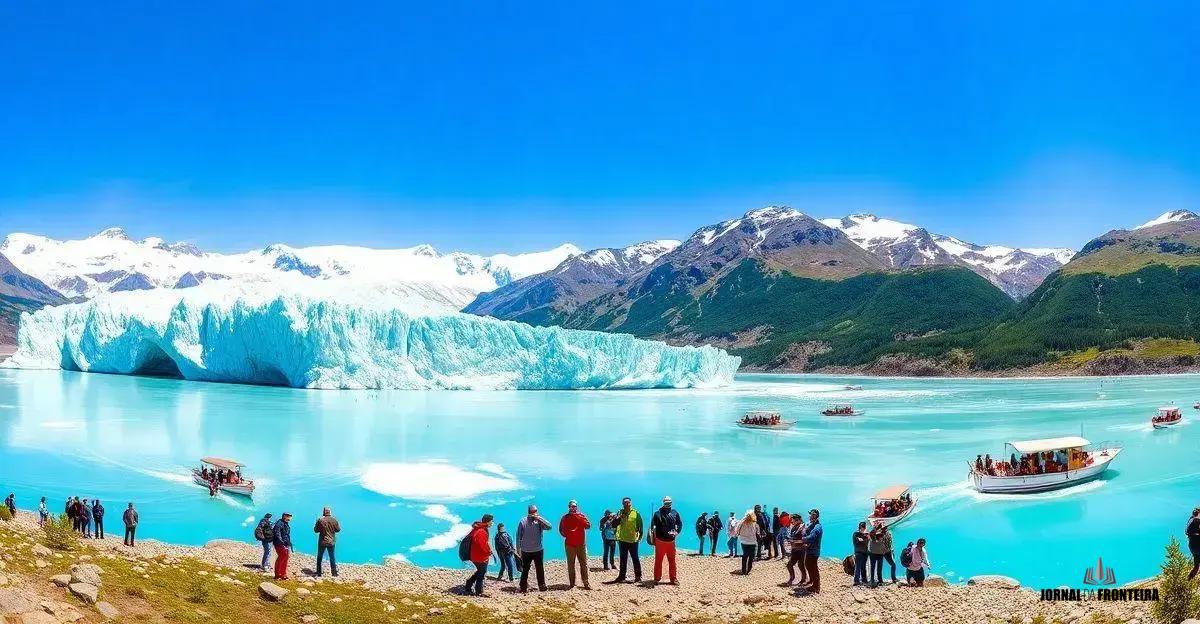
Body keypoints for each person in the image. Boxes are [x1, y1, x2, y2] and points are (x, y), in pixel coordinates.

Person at [516, 504, 552, 593]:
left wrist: (539, 518)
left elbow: (549, 527)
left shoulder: (539, 521)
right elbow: (518, 536)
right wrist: (518, 549)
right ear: (529, 512)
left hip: (538, 550)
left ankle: (542, 585)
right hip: (526, 551)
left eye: (535, 511)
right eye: (532, 512)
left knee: (540, 568)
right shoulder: (523, 521)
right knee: (525, 569)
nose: (534, 513)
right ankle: (523, 587)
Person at [607, 497, 643, 584]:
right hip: (622, 540)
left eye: (628, 503)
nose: (626, 504)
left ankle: (638, 577)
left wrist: (640, 536)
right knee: (623, 559)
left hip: (633, 540)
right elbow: (614, 525)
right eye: (625, 503)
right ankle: (621, 576)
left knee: (635, 559)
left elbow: (640, 525)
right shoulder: (620, 512)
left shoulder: (636, 513)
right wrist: (619, 517)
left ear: (630, 503)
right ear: (622, 504)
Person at [648, 496, 682, 585]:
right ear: (663, 503)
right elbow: (652, 526)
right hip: (660, 541)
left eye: (669, 503)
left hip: (671, 541)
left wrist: (676, 532)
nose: (667, 504)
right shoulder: (657, 514)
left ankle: (673, 578)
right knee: (658, 560)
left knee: (672, 560)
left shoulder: (675, 513)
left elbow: (679, 524)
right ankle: (656, 578)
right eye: (666, 503)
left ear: (671, 503)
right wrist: (653, 538)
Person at [558, 500, 592, 590]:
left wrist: (581, 519)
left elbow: (588, 526)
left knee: (583, 564)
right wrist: (567, 535)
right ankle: (572, 583)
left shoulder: (581, 516)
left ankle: (586, 583)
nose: (573, 508)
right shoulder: (564, 517)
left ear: (577, 507)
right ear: (569, 507)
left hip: (581, 544)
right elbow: (560, 529)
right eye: (571, 506)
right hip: (570, 545)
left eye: (574, 506)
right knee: (571, 564)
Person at [463, 514, 493, 596]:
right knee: (482, 573)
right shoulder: (482, 531)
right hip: (480, 556)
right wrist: (488, 552)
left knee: (480, 571)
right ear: (488, 522)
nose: (492, 523)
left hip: (475, 555)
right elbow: (481, 545)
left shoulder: (479, 528)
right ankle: (478, 592)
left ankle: (469, 584)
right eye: (491, 521)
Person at [799, 509, 823, 593]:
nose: (810, 516)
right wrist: (804, 531)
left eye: (812, 515)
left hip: (814, 550)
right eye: (810, 515)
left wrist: (802, 539)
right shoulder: (812, 525)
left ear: (815, 516)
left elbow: (812, 537)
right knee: (808, 565)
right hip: (810, 549)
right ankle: (812, 581)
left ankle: (816, 587)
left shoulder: (817, 527)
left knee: (813, 568)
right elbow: (806, 533)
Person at [314, 506, 341, 577]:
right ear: (330, 512)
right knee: (332, 557)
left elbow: (316, 530)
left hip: (322, 542)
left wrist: (317, 524)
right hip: (331, 542)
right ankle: (334, 573)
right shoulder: (334, 520)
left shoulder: (320, 520)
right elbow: (338, 530)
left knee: (319, 557)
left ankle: (319, 573)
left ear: (323, 512)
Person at [784, 515, 807, 586]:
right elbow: (793, 538)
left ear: (798, 520)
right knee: (789, 565)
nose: (791, 522)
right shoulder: (793, 528)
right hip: (794, 549)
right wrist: (790, 541)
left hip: (801, 550)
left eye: (793, 520)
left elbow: (804, 540)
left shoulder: (802, 528)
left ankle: (803, 579)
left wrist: (794, 542)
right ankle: (792, 578)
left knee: (801, 565)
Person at [735, 510, 759, 575]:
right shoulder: (754, 523)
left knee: (745, 555)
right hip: (752, 542)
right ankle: (748, 570)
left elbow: (737, 529)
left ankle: (743, 570)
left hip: (744, 541)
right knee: (751, 556)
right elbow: (758, 532)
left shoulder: (742, 522)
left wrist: (738, 535)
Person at [272, 512, 293, 580]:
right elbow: (277, 534)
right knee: (282, 557)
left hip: (285, 543)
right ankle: (277, 574)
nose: (289, 518)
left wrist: (288, 543)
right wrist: (282, 542)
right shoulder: (279, 523)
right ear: (284, 516)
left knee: (286, 557)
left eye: (289, 517)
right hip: (279, 544)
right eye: (288, 516)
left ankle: (283, 574)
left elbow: (286, 534)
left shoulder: (285, 523)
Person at [852, 521, 870, 586]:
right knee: (858, 567)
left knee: (862, 567)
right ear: (863, 527)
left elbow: (865, 541)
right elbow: (860, 541)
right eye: (864, 527)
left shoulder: (865, 534)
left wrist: (864, 538)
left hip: (864, 553)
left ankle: (863, 580)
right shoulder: (856, 534)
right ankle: (857, 580)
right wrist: (865, 538)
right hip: (859, 553)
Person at [1187, 507, 1200, 580]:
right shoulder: (1197, 521)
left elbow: (1186, 532)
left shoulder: (1190, 520)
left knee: (1196, 566)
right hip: (1197, 544)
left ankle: (1188, 580)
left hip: (1192, 545)